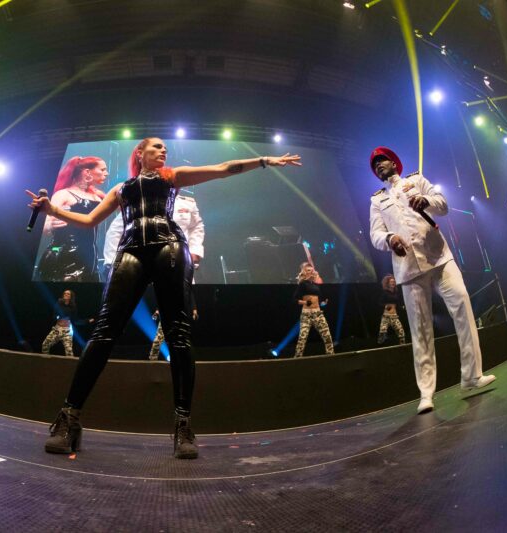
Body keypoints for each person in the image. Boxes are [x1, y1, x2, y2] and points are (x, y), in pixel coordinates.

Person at [27, 138, 301, 459]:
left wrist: (264, 160)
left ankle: (183, 426)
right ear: (140, 153)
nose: (163, 150)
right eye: (156, 147)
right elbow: (89, 221)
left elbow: (224, 168)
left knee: (178, 334)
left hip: (169, 247)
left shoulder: (173, 176)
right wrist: (51, 209)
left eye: (164, 148)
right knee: (103, 333)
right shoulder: (121, 189)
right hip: (130, 250)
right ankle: (69, 418)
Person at [368, 146, 495, 414]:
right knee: (421, 330)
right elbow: (375, 235)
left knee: (462, 306)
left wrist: (426, 201)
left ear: (394, 163)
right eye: (374, 164)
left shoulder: (416, 180)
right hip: (408, 268)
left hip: (439, 257)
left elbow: (444, 205)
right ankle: (426, 393)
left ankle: (472, 376)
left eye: (382, 160)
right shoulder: (377, 200)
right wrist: (390, 239)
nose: (378, 165)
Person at [37, 156, 108, 281]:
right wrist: (51, 225)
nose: (106, 173)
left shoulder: (98, 196)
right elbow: (45, 226)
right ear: (87, 172)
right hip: (63, 259)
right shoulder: (63, 194)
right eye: (102, 170)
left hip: (89, 259)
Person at [103, 192, 205, 277]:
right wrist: (113, 263)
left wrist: (194, 250)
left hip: (180, 263)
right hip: (145, 263)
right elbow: (115, 231)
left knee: (182, 294)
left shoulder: (187, 203)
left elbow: (196, 227)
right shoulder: (140, 203)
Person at [293, 262, 334, 357]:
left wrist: (323, 303)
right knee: (302, 339)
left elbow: (318, 300)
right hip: (306, 314)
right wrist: (305, 302)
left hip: (318, 313)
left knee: (327, 336)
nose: (311, 272)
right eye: (308, 270)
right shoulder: (303, 284)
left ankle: (331, 356)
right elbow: (294, 299)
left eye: (312, 270)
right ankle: (297, 359)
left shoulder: (316, 285)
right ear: (305, 272)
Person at [149, 296, 199, 361]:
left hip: (179, 318)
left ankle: (182, 359)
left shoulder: (185, 291)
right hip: (166, 317)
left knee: (179, 340)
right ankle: (153, 359)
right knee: (158, 338)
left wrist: (194, 311)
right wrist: (157, 312)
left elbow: (190, 298)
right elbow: (163, 300)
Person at [41, 289, 78, 357]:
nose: (66, 294)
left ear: (71, 296)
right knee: (45, 345)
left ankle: (70, 363)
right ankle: (45, 360)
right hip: (57, 329)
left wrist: (87, 321)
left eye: (68, 294)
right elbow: (54, 315)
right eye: (65, 293)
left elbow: (74, 319)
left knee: (69, 352)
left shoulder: (73, 306)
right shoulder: (59, 303)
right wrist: (58, 317)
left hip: (67, 331)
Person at [377, 274, 406, 345]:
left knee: (401, 332)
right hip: (386, 316)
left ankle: (402, 345)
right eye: (391, 282)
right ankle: (381, 342)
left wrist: (402, 307)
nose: (393, 283)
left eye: (394, 282)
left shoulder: (396, 293)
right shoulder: (385, 293)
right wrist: (386, 306)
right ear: (388, 283)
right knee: (382, 333)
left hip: (394, 316)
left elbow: (398, 304)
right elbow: (379, 303)